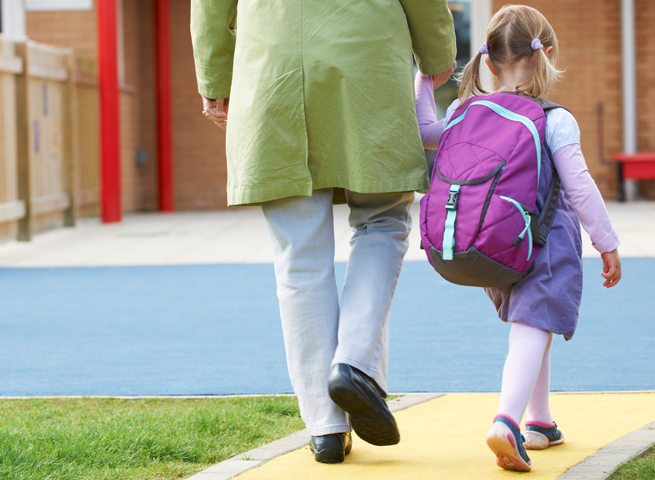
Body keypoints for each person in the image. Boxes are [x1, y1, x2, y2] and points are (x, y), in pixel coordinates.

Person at [190, 0, 457, 464]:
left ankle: (326, 427)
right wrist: (438, 54)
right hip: (366, 61)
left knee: (299, 253)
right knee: (382, 220)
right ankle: (354, 364)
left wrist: (215, 78)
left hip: (272, 67)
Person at [415, 4, 622, 473]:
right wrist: (606, 242)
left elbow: (427, 133)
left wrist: (425, 81)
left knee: (533, 324)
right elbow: (580, 185)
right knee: (535, 325)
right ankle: (506, 420)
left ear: (488, 62)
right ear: (546, 54)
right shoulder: (553, 118)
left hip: (495, 242)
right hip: (546, 242)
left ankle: (540, 422)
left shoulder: (464, 108)